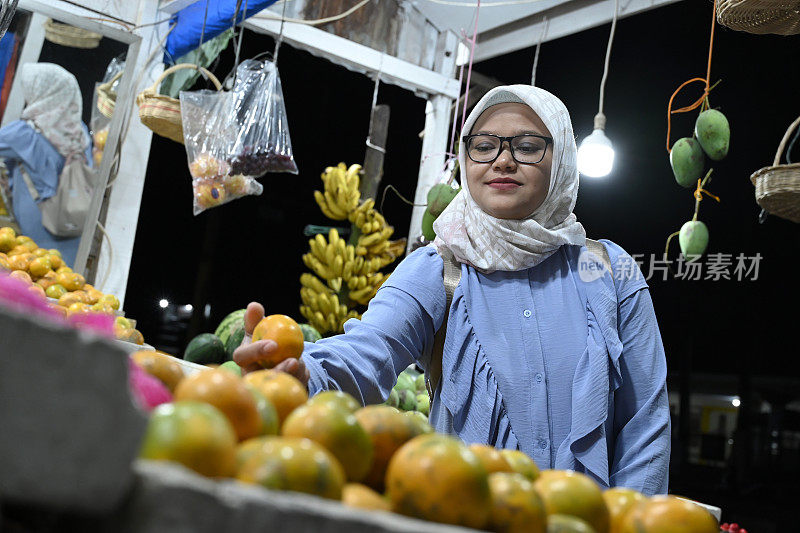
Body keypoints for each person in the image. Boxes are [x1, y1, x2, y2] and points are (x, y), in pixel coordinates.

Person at [234, 85, 671, 495]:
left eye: (527, 146)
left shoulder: (606, 269)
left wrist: (631, 520)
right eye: (484, 146)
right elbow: (366, 352)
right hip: (460, 513)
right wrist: (299, 374)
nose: (502, 161)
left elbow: (645, 423)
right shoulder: (438, 269)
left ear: (562, 161)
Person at [0, 63, 92, 267]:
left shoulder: (25, 133)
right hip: (72, 222)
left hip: (40, 227)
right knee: (65, 285)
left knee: (37, 280)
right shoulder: (80, 133)